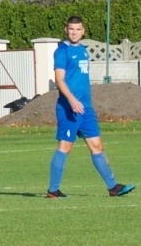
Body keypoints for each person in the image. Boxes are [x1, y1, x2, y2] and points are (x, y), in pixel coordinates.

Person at [47, 16, 135, 199]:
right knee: (65, 147)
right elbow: (59, 79)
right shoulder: (62, 51)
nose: (74, 32)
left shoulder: (84, 51)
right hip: (69, 108)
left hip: (86, 109)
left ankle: (113, 187)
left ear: (83, 31)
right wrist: (71, 100)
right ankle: (53, 191)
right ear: (66, 30)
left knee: (97, 145)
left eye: (78, 29)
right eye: (71, 29)